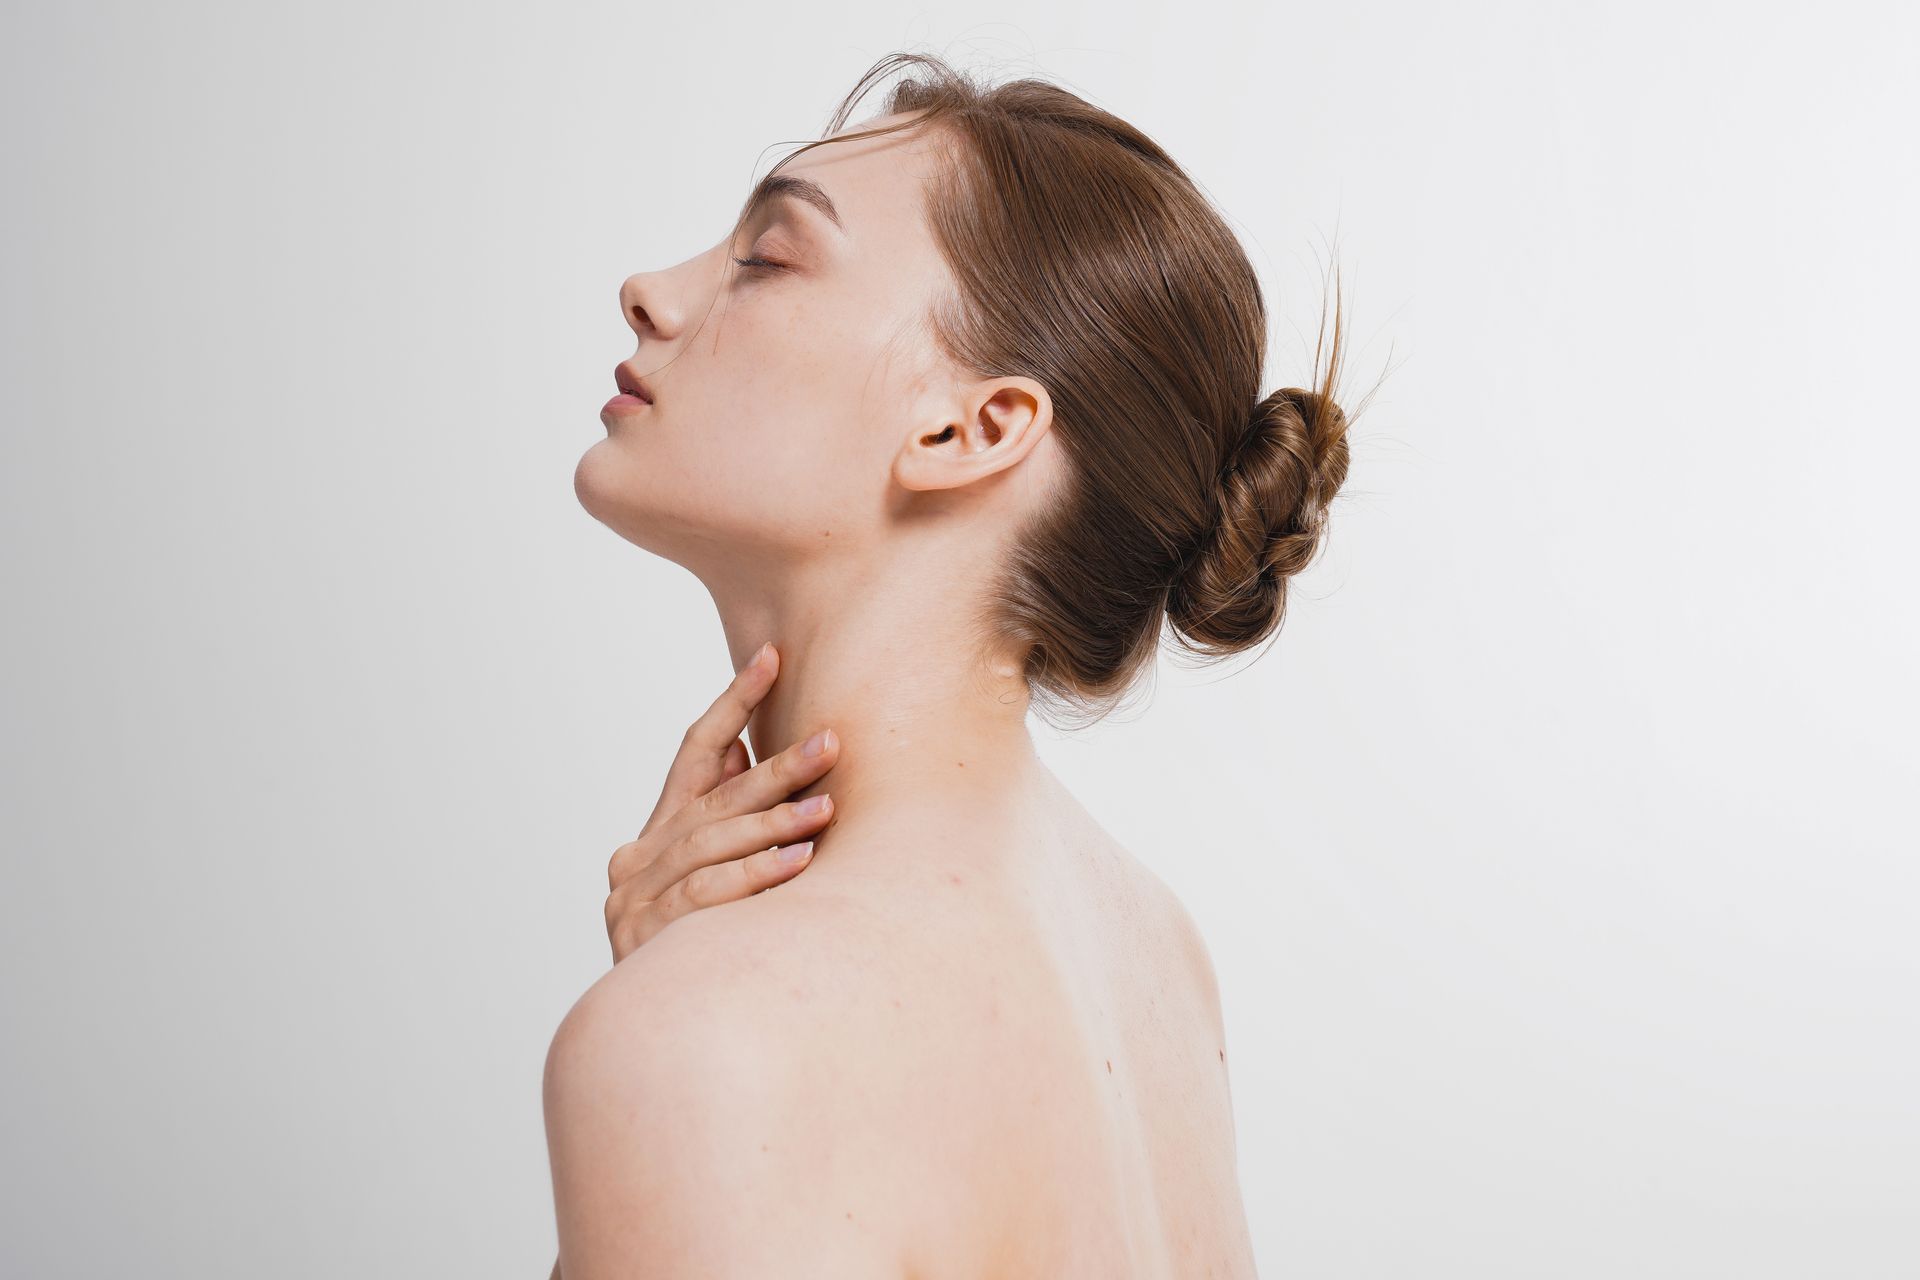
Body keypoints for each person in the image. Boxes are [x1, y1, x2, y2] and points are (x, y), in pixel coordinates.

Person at [544, 50, 1358, 1279]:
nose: (649, 290)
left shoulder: (709, 1037)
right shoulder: (1155, 957)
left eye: (765, 258)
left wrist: (673, 1031)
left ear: (969, 430)